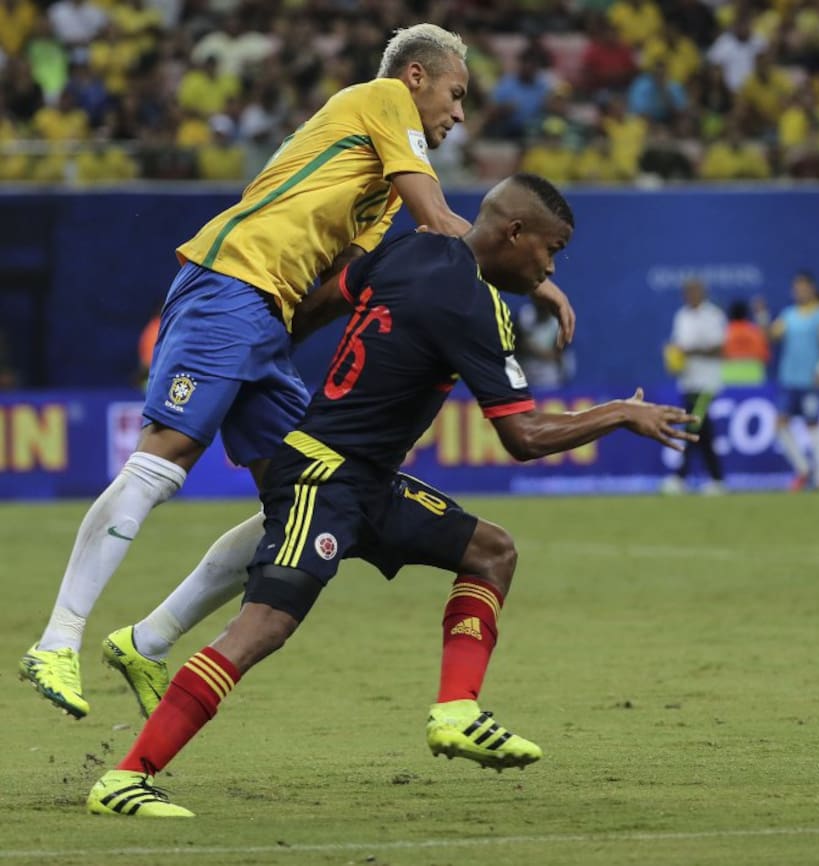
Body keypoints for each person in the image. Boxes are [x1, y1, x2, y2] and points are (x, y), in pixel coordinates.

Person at [85, 174, 695, 818]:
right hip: (324, 479)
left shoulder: (409, 248)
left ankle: (456, 710)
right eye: (552, 250)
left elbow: (319, 304)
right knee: (261, 628)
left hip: (366, 479)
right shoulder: (476, 308)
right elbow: (523, 437)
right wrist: (618, 414)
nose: (551, 268)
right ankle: (125, 778)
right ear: (516, 233)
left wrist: (274, 368)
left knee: (490, 552)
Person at [20, 24, 576, 722]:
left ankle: (147, 641)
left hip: (267, 318)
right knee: (167, 457)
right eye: (455, 94)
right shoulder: (382, 99)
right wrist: (530, 279)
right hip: (231, 280)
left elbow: (343, 288)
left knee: (302, 490)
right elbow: (440, 223)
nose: (459, 114)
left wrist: (306, 355)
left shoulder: (377, 193)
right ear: (415, 77)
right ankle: (57, 639)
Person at [771, 272, 819, 491]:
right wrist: (762, 318)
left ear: (812, 289)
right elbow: (772, 336)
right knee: (780, 425)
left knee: (813, 424)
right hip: (789, 379)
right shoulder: (788, 315)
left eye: (803, 287)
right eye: (796, 288)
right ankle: (803, 469)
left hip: (812, 380)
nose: (799, 292)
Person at [662, 279, 727, 495]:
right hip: (688, 382)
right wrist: (673, 359)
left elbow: (718, 348)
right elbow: (677, 346)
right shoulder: (681, 315)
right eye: (687, 292)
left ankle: (680, 477)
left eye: (694, 291)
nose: (690, 295)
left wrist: (689, 352)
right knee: (701, 431)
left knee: (693, 427)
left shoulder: (714, 315)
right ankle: (716, 480)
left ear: (703, 293)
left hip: (707, 383)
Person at [722, 298, 770, 386]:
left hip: (730, 375)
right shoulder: (755, 332)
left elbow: (720, 355)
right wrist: (762, 314)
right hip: (753, 375)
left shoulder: (725, 333)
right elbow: (764, 355)